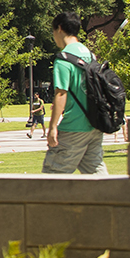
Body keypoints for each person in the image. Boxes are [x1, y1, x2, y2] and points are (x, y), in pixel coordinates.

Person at [43, 11, 109, 174]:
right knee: (96, 174)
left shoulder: (64, 59)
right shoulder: (89, 55)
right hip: (94, 125)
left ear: (59, 29)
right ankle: (114, 199)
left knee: (53, 176)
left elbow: (61, 94)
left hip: (74, 128)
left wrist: (52, 127)